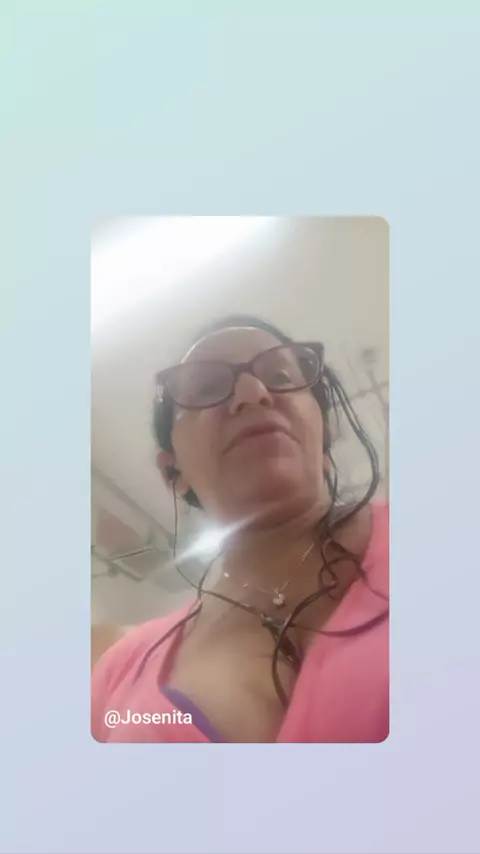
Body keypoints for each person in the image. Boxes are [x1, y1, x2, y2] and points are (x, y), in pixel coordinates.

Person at [91, 315, 389, 743]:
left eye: (280, 376)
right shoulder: (118, 673)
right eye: (207, 388)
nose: (252, 393)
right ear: (174, 471)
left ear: (324, 437)